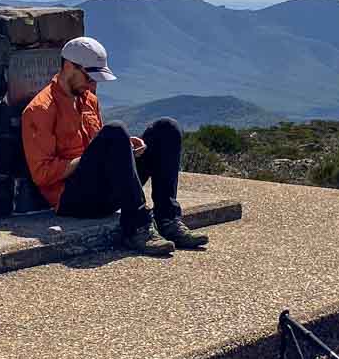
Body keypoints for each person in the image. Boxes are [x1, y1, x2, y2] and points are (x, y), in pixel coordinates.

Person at [20, 35, 209, 255]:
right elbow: (41, 174)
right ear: (70, 66)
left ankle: (168, 219)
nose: (93, 84)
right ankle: (137, 227)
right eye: (89, 77)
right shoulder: (41, 109)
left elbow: (100, 145)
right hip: (72, 200)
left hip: (103, 187)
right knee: (115, 131)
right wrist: (93, 157)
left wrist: (125, 149)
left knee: (167, 128)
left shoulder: (89, 99)